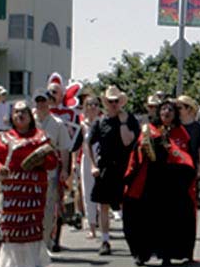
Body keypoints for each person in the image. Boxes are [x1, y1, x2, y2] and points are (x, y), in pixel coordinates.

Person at [0, 100, 59, 267]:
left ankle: (34, 264)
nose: (20, 116)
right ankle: (15, 265)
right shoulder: (4, 138)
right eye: (17, 113)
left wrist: (40, 159)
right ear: (12, 116)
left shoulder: (41, 137)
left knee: (32, 226)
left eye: (23, 113)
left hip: (33, 192)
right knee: (13, 227)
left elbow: (53, 162)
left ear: (30, 116)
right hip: (12, 190)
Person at [123, 99, 197, 267]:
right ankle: (142, 254)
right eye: (163, 109)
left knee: (169, 220)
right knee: (144, 219)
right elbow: (137, 153)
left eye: (170, 109)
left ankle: (167, 254)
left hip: (171, 183)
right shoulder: (149, 130)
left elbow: (187, 156)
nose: (166, 112)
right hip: (150, 182)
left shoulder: (181, 132)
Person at [88, 86, 140, 255]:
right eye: (110, 101)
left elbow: (128, 142)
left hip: (125, 168)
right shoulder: (100, 122)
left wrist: (123, 122)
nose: (113, 104)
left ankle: (132, 238)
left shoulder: (129, 119)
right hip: (105, 167)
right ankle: (105, 241)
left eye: (116, 101)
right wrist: (92, 165)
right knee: (103, 205)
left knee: (127, 204)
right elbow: (88, 143)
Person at [34, 89, 73, 254]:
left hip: (51, 171)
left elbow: (64, 148)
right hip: (32, 172)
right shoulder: (30, 121)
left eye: (44, 101)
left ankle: (48, 241)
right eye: (38, 101)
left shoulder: (57, 123)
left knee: (50, 208)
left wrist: (64, 169)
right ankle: (34, 242)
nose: (41, 104)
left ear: (49, 102)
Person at [78, 95, 102, 238]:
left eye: (95, 104)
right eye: (89, 104)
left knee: (101, 193)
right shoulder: (82, 125)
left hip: (101, 159)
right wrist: (75, 162)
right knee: (87, 193)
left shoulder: (102, 122)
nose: (92, 107)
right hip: (86, 159)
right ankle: (92, 227)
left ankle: (104, 224)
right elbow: (77, 146)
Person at [177, 95, 200, 207]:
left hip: (191, 164)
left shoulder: (197, 127)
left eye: (180, 108)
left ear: (188, 109)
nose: (177, 111)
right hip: (177, 163)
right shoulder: (175, 126)